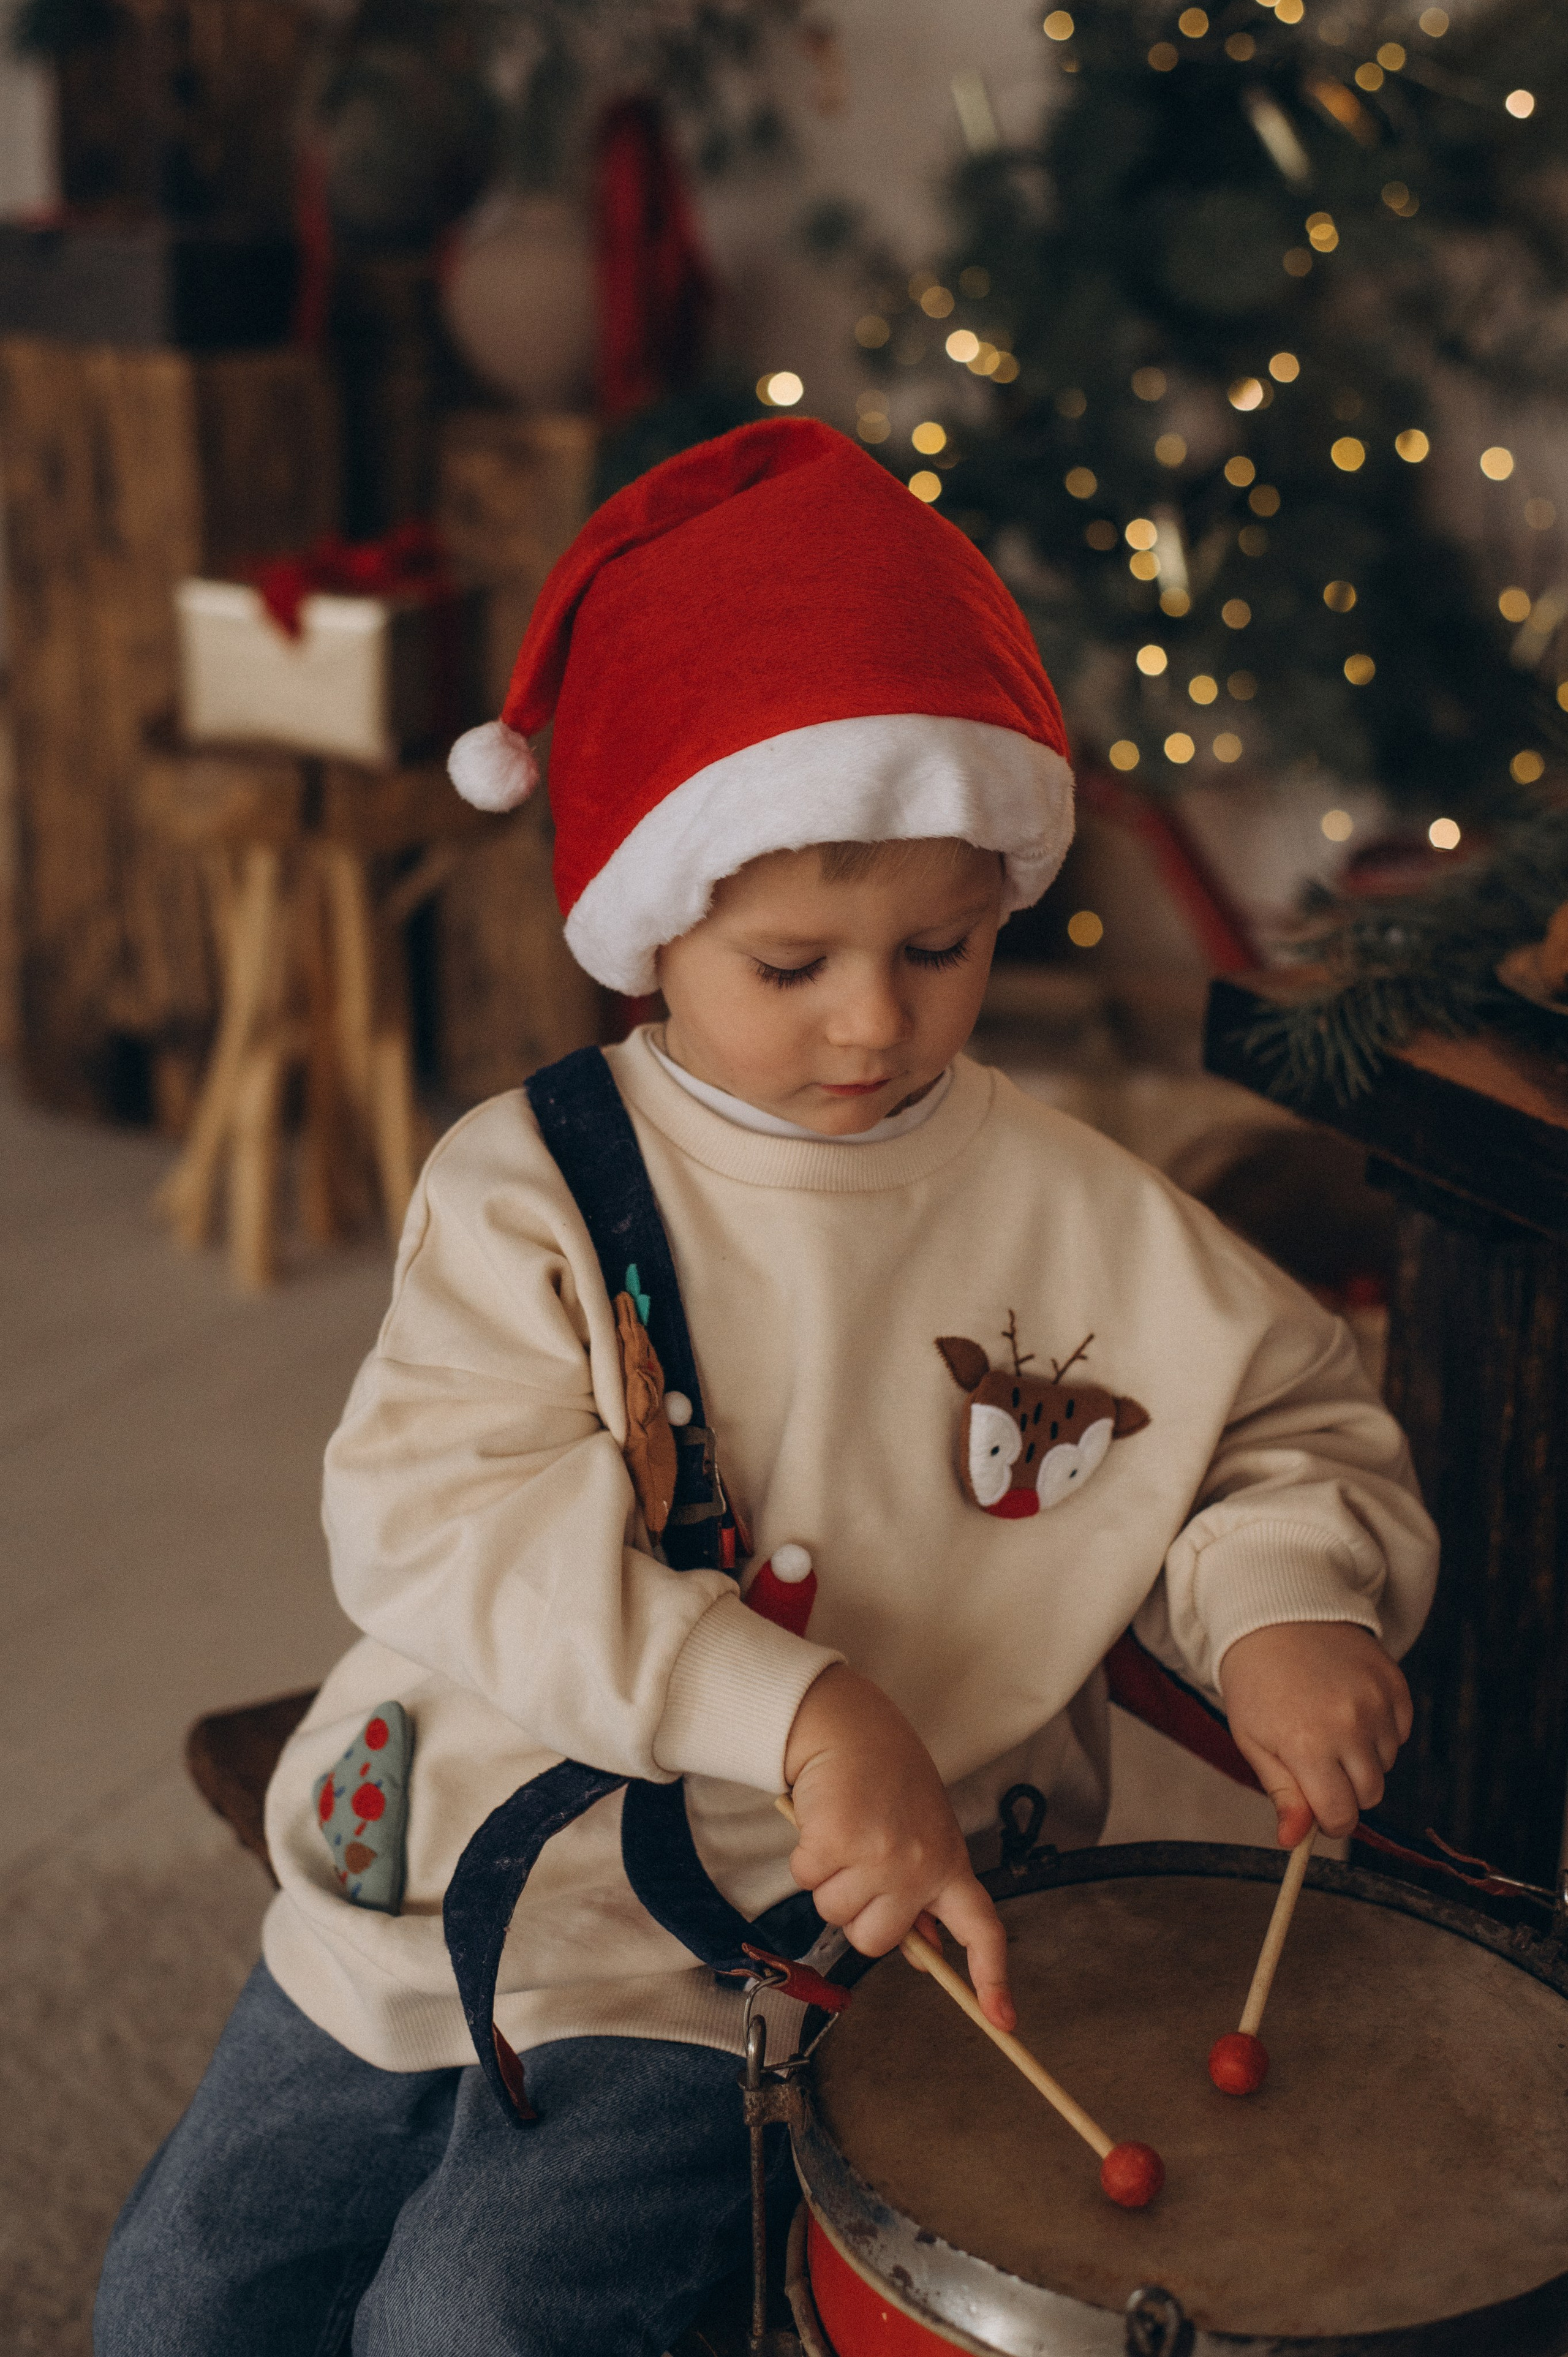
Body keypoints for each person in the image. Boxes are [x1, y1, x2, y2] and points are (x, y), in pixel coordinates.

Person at [96, 418, 1436, 2356]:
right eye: (792, 961)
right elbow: (434, 1509)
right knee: (183, 2290)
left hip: (770, 1957)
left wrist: (1289, 1605)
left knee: (476, 2321)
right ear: (652, 930)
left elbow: (1280, 1427)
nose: (876, 1020)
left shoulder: (1078, 1213)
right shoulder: (530, 1182)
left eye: (944, 948)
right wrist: (793, 1707)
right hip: (419, 1880)